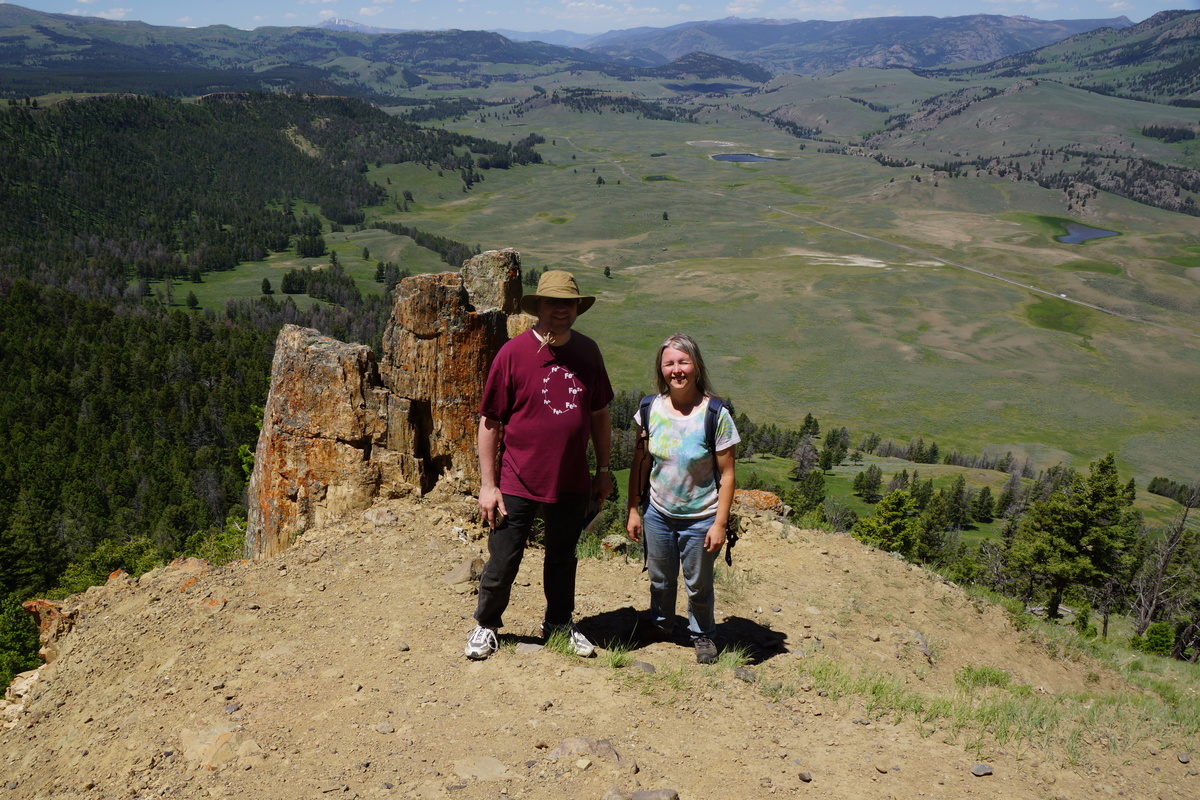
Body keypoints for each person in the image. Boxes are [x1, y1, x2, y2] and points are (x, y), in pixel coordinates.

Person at [465, 270, 614, 660]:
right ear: (539, 307)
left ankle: (559, 623)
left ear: (577, 308)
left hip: (571, 477)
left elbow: (599, 414)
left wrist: (602, 469)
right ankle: (486, 625)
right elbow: (490, 422)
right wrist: (488, 484)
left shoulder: (588, 352)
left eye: (568, 304)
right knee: (504, 555)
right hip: (516, 477)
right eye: (553, 303)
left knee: (563, 556)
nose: (561, 311)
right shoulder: (513, 354)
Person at [626, 334, 739, 664]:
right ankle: (661, 625)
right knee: (660, 578)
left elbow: (728, 474)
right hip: (658, 512)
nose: (677, 370)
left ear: (697, 366)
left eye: (683, 362)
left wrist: (720, 523)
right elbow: (641, 462)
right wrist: (634, 509)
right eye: (669, 363)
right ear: (661, 369)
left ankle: (702, 634)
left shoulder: (715, 415)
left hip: (702, 515)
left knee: (698, 583)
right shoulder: (649, 410)